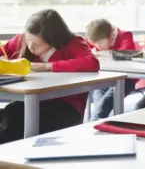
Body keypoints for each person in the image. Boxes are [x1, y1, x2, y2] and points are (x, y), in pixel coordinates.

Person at [1, 9, 99, 143]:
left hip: (65, 108)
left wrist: (49, 66)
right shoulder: (22, 40)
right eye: (28, 39)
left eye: (37, 44)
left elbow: (91, 63)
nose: (30, 46)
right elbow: (5, 51)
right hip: (30, 103)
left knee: (14, 115)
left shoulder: (73, 43)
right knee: (10, 114)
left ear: (53, 40)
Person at [85, 19, 137, 120]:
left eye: (100, 43)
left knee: (102, 106)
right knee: (99, 105)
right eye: (95, 44)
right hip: (105, 77)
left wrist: (99, 53)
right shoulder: (96, 37)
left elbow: (123, 54)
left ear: (111, 35)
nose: (98, 46)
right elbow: (86, 54)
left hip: (126, 79)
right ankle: (98, 129)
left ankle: (90, 131)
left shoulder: (125, 36)